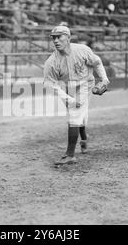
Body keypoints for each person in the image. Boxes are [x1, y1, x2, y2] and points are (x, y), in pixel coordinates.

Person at [43, 26, 109, 165]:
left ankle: (70, 155)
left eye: (59, 36)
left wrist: (104, 80)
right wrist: (69, 99)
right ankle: (84, 137)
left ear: (68, 37)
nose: (55, 40)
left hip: (86, 84)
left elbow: (97, 62)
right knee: (79, 115)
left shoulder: (82, 50)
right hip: (67, 89)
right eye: (53, 37)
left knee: (74, 115)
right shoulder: (51, 62)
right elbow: (51, 86)